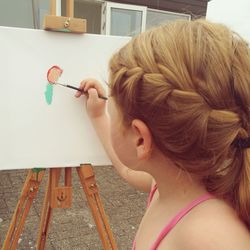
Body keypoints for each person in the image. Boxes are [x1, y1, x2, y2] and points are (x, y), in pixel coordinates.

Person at [75, 19, 250, 249]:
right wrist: (99, 117)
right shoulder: (169, 183)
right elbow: (126, 169)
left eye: (112, 104)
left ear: (140, 139)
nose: (108, 106)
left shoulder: (211, 237)